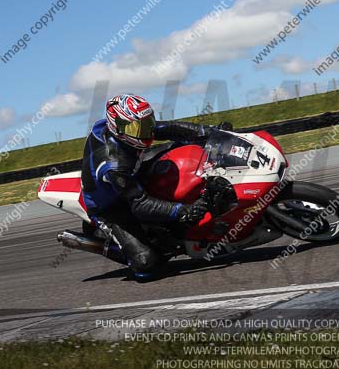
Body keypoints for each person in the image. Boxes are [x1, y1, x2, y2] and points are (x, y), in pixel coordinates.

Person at [81, 93, 230, 280]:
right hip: (112, 204)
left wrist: (211, 132)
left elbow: (167, 128)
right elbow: (139, 204)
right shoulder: (114, 165)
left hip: (133, 168)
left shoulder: (128, 130)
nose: (146, 132)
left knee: (184, 145)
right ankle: (127, 249)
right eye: (138, 127)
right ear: (117, 128)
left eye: (146, 123)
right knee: (147, 264)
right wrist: (184, 211)